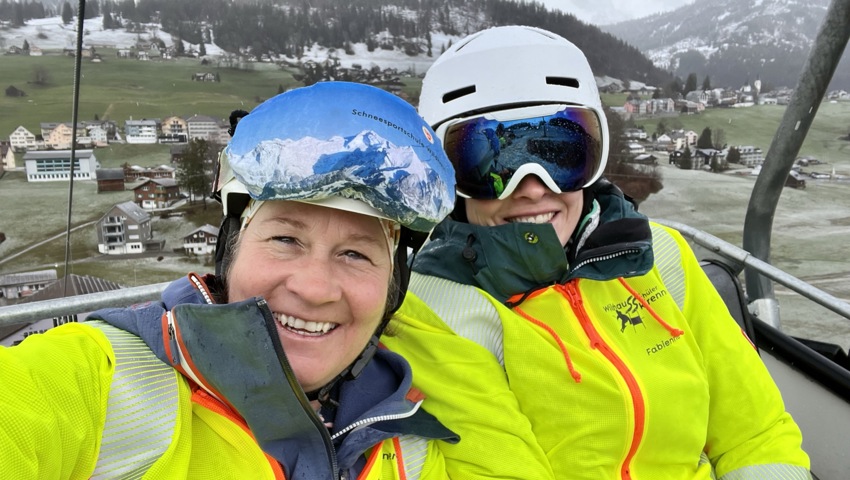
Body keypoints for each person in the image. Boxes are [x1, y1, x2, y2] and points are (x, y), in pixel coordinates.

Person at [381, 25, 813, 480]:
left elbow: (756, 431)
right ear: (448, 180)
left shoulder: (661, 256)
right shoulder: (432, 310)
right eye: (490, 165)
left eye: (559, 155)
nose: (532, 189)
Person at [0, 82, 459, 479]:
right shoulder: (103, 382)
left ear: (393, 287)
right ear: (231, 250)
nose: (315, 289)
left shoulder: (412, 441)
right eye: (285, 238)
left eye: (356, 253)